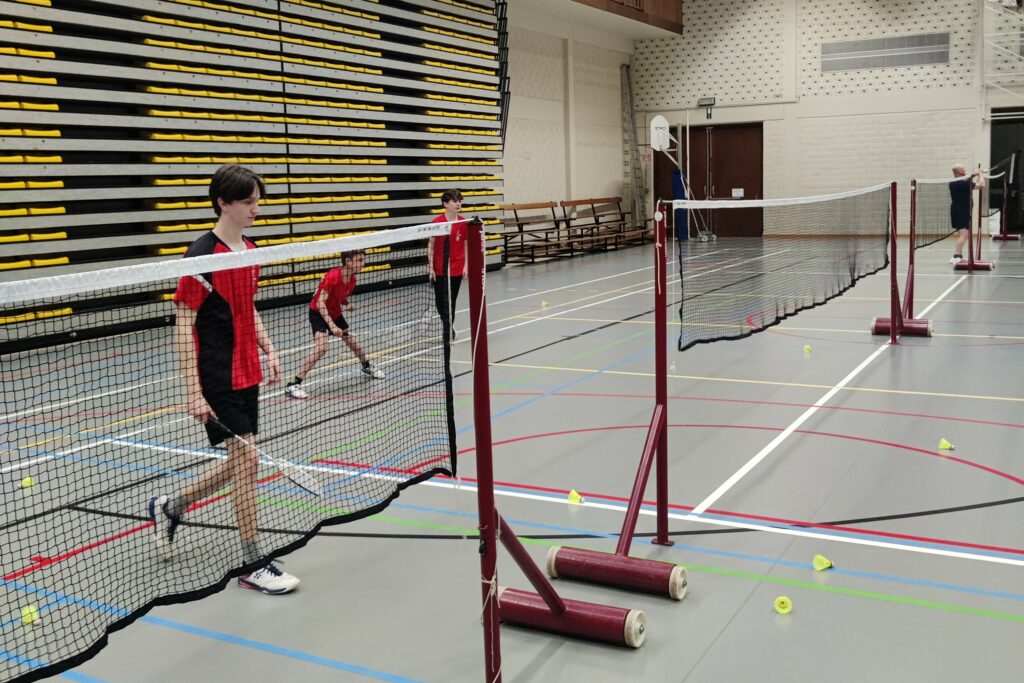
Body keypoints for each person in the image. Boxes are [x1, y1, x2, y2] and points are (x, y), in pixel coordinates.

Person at [148, 164, 300, 595]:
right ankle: (253, 561)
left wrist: (270, 349)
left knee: (242, 461)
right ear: (223, 203)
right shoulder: (201, 255)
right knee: (248, 463)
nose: (257, 208)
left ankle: (170, 506)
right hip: (216, 374)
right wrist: (192, 392)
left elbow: (246, 305)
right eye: (249, 201)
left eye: (257, 200)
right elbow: (182, 323)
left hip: (248, 370)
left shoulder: (247, 248)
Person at [284, 249, 384, 400]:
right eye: (359, 260)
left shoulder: (352, 280)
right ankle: (294, 384)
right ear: (348, 261)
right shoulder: (333, 276)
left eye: (363, 260)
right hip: (318, 313)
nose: (363, 264)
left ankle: (367, 367)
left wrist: (346, 303)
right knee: (322, 348)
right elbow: (320, 302)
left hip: (335, 313)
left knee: (353, 342)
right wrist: (332, 326)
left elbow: (338, 295)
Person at [427, 189, 468, 340]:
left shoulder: (463, 222)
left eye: (460, 201)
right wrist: (430, 267)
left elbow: (465, 245)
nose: (458, 203)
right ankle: (448, 325)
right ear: (445, 204)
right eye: (455, 201)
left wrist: (466, 266)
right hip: (440, 269)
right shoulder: (437, 223)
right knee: (440, 302)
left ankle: (447, 330)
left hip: (457, 269)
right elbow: (431, 245)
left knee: (451, 301)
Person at [949, 163, 984, 264]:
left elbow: (968, 180)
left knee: (962, 234)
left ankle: (958, 255)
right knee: (964, 235)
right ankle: (955, 255)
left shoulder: (954, 182)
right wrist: (980, 174)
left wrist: (974, 175)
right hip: (962, 211)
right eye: (963, 168)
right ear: (960, 171)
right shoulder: (963, 183)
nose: (965, 169)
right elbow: (982, 185)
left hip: (957, 210)